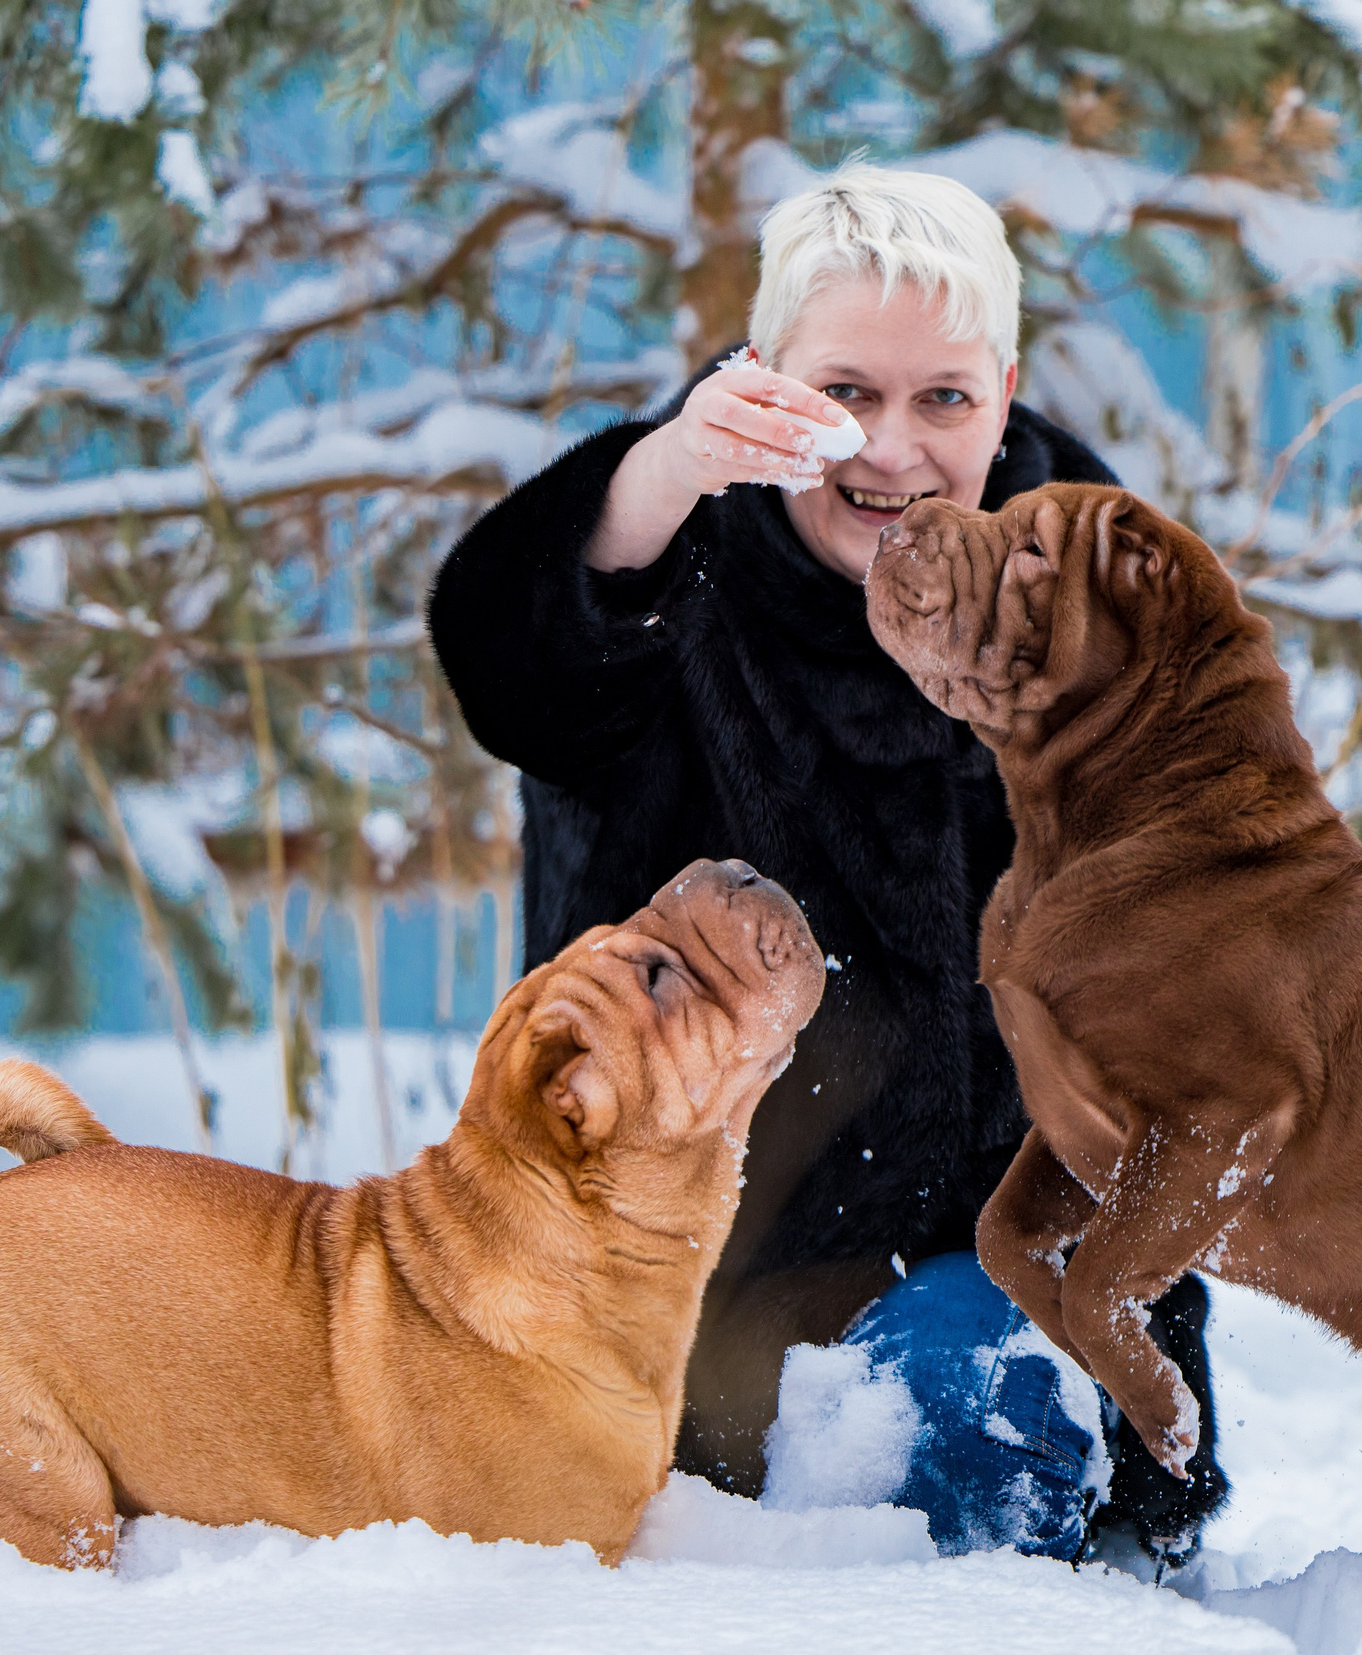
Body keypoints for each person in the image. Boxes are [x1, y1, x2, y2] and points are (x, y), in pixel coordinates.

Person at [427, 165, 1226, 1564]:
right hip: (693, 1285)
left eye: (943, 401)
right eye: (844, 393)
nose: (892, 450)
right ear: (762, 378)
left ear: (1007, 388)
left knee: (966, 1436)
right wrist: (669, 466)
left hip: (1011, 1267)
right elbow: (514, 669)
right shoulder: (675, 556)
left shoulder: (1093, 585)